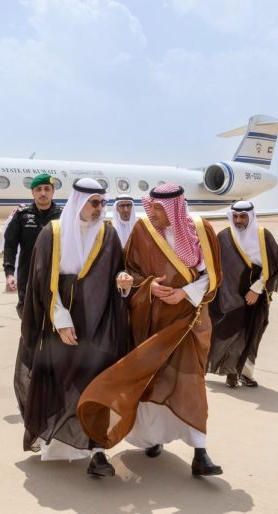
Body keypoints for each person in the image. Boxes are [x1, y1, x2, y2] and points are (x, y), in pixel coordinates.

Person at [78, 183, 224, 477]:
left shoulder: (201, 229)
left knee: (190, 382)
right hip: (150, 321)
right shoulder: (143, 230)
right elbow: (128, 270)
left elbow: (214, 275)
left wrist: (185, 293)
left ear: (174, 208)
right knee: (150, 381)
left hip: (189, 321)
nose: (152, 213)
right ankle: (153, 438)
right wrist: (148, 285)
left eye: (158, 208)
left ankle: (200, 452)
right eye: (151, 206)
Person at [14, 178, 131, 477]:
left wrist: (123, 281)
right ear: (79, 202)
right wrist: (62, 322)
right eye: (95, 203)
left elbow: (118, 271)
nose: (100, 208)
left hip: (98, 324)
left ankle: (97, 452)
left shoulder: (108, 234)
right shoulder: (52, 234)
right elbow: (43, 284)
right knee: (60, 384)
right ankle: (55, 441)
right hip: (60, 327)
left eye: (103, 203)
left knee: (95, 386)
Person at [207, 201, 278, 387]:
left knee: (253, 333)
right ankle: (231, 372)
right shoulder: (224, 236)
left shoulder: (263, 236)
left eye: (243, 216)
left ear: (251, 216)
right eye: (235, 216)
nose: (238, 220)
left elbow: (273, 265)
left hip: (255, 295)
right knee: (230, 333)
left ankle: (246, 374)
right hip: (230, 296)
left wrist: (257, 288)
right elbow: (215, 266)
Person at [3, 174, 62, 317]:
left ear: (53, 191)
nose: (43, 193)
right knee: (28, 318)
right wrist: (9, 274)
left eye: (47, 189)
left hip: (56, 277)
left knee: (55, 320)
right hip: (28, 277)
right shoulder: (22, 216)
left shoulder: (62, 216)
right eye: (38, 189)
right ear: (32, 192)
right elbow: (10, 245)